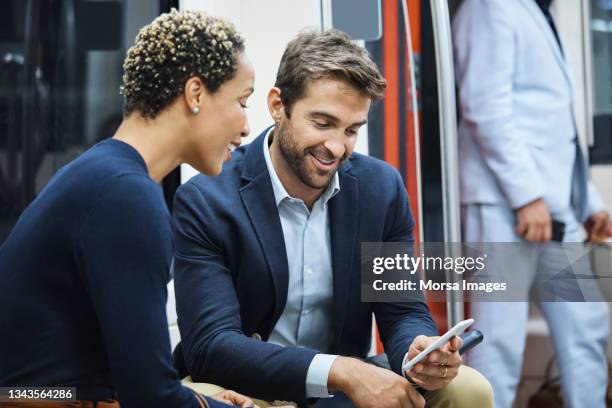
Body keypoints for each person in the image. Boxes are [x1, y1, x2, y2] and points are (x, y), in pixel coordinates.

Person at [172, 28, 493, 408]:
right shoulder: (207, 200)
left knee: (468, 388)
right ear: (278, 105)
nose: (337, 147)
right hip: (243, 386)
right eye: (322, 123)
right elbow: (211, 345)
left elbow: (403, 310)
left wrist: (419, 352)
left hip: (343, 390)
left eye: (352, 130)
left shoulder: (380, 190)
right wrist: (340, 370)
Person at [0, 9, 257, 408]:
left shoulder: (103, 174)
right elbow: (150, 397)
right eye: (243, 101)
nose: (246, 127)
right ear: (195, 94)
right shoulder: (127, 198)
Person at [453, 0, 612, 407]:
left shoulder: (540, 11)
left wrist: (587, 201)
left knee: (586, 327)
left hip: (555, 208)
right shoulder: (490, 7)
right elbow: (485, 107)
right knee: (497, 342)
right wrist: (526, 196)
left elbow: (556, 124)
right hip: (505, 202)